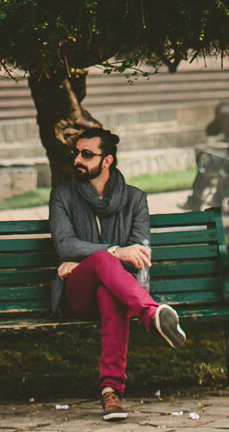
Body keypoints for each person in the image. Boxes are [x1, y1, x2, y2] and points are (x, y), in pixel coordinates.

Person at [49, 126, 187, 422]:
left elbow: (140, 256)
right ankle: (150, 314)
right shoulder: (62, 196)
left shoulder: (135, 199)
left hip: (116, 291)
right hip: (77, 293)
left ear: (107, 161)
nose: (78, 159)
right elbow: (65, 245)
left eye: (87, 154)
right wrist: (114, 252)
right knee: (103, 259)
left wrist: (87, 259)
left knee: (109, 292)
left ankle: (111, 392)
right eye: (76, 153)